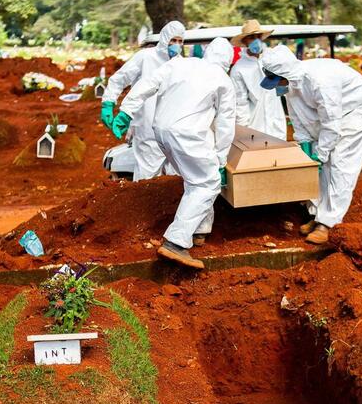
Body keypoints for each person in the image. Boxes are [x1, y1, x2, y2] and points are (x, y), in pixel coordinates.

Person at [111, 37, 236, 269]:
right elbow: (226, 124)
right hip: (188, 135)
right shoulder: (223, 79)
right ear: (228, 61)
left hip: (160, 131)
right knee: (208, 183)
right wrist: (220, 158)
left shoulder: (180, 63)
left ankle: (198, 231)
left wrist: (126, 111)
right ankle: (176, 243)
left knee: (193, 180)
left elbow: (147, 84)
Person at [260, 45, 362, 245]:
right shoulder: (290, 84)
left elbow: (331, 123)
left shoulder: (320, 81)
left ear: (285, 73)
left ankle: (328, 223)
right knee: (318, 163)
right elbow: (299, 119)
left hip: (357, 110)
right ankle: (316, 215)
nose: (276, 85)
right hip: (333, 116)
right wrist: (307, 148)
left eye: (276, 80)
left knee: (340, 163)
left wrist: (322, 154)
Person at [101, 21, 186, 182]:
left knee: (174, 180)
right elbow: (119, 79)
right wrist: (108, 103)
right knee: (147, 177)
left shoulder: (180, 64)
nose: (176, 45)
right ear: (164, 39)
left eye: (180, 41)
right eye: (173, 40)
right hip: (146, 127)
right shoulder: (146, 57)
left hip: (172, 129)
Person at [230, 20, 287, 139]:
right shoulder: (239, 69)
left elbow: (285, 88)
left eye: (258, 36)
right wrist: (243, 130)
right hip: (255, 126)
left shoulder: (273, 59)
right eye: (251, 37)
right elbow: (240, 103)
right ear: (245, 41)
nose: (256, 40)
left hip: (277, 124)